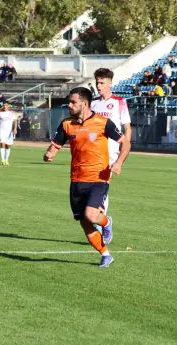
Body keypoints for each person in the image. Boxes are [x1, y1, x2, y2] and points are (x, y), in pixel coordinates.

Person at [43, 87, 131, 268]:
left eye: (73, 102)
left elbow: (126, 143)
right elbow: (55, 146)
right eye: (69, 102)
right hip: (76, 180)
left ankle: (106, 222)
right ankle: (105, 255)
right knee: (85, 223)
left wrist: (119, 162)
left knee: (91, 215)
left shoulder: (102, 122)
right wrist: (49, 154)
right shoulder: (67, 124)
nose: (69, 105)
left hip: (99, 177)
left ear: (84, 103)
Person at [90, 68, 132, 228]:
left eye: (102, 82)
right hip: (92, 152)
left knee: (102, 184)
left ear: (110, 83)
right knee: (93, 186)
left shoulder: (119, 102)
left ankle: (101, 225)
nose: (99, 85)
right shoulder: (93, 103)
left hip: (110, 152)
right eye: (97, 82)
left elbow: (127, 128)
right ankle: (102, 222)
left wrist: (122, 155)